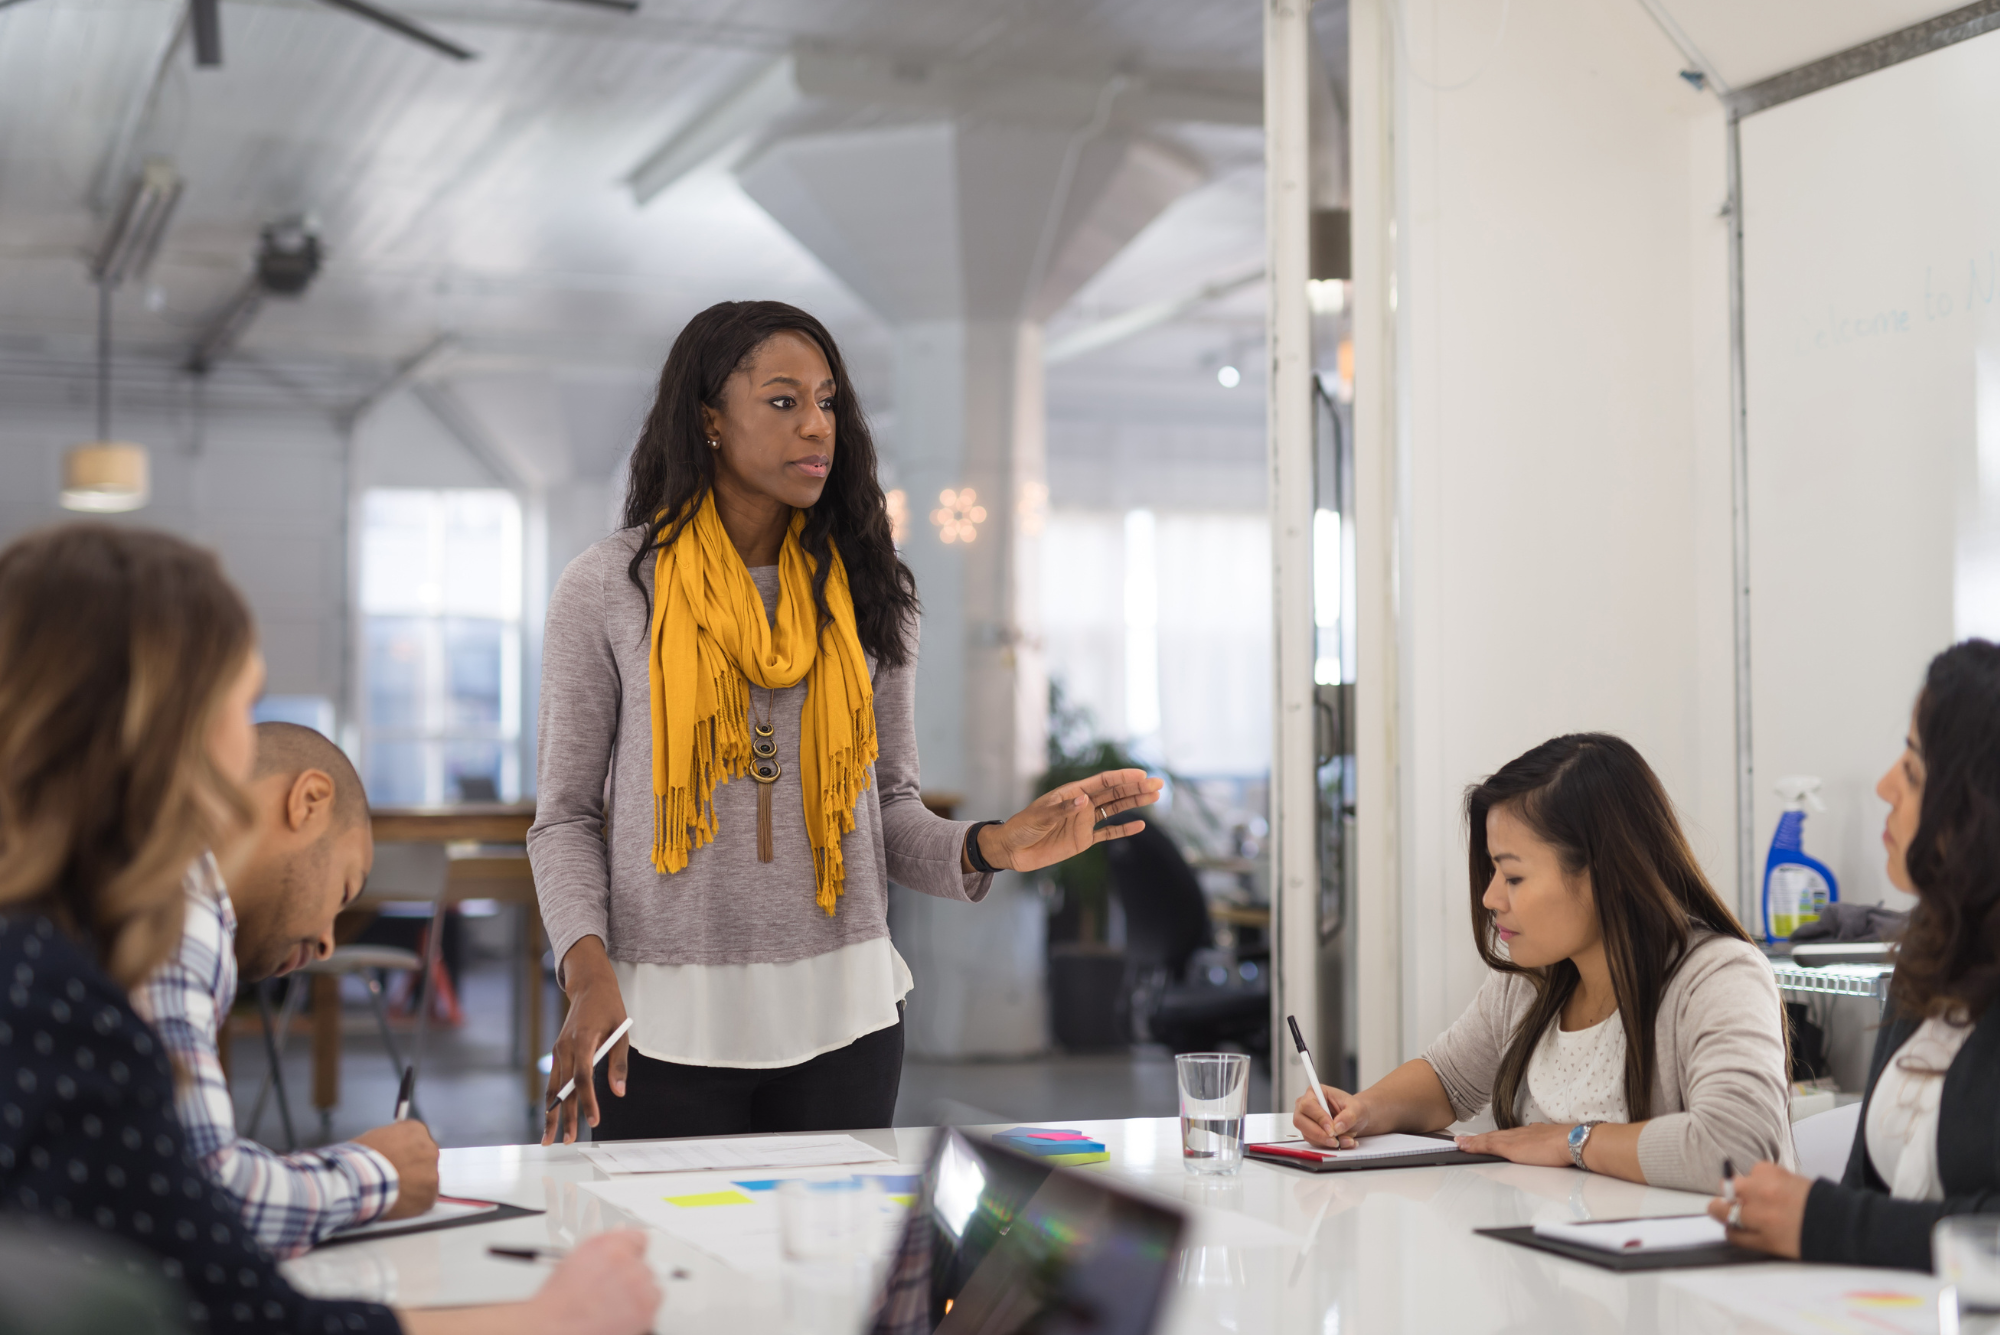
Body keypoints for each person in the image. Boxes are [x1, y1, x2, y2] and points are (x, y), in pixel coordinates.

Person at [0, 523, 658, 1335]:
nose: (248, 749)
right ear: (161, 730)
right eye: (240, 706)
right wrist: (541, 1319)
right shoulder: (59, 985)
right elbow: (226, 1294)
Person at [532, 300, 1162, 1143]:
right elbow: (566, 816)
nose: (816, 426)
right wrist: (585, 967)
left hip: (846, 1019)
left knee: (831, 1276)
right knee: (679, 1274)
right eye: (784, 400)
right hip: (660, 1020)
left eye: (828, 402)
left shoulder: (866, 589)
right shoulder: (610, 587)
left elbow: (888, 809)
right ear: (708, 419)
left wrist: (993, 846)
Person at [1292, 732, 1795, 1192]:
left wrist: (1573, 1142)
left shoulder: (1718, 978)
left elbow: (1737, 1150)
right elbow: (1447, 1080)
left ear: (1605, 875)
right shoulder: (1531, 982)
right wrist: (1360, 1111)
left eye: (1513, 877)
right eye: (1493, 871)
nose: (1490, 898)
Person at [1711, 640, 2000, 1269]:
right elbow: (1867, 1192)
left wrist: (1823, 1222)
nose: (1884, 786)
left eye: (1916, 771)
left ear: (1979, 817)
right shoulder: (1929, 960)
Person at [132, 721, 440, 1258]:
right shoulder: (182, 910)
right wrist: (379, 1173)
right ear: (309, 800)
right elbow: (209, 1202)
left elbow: (167, 1169)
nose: (326, 943)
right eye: (344, 890)